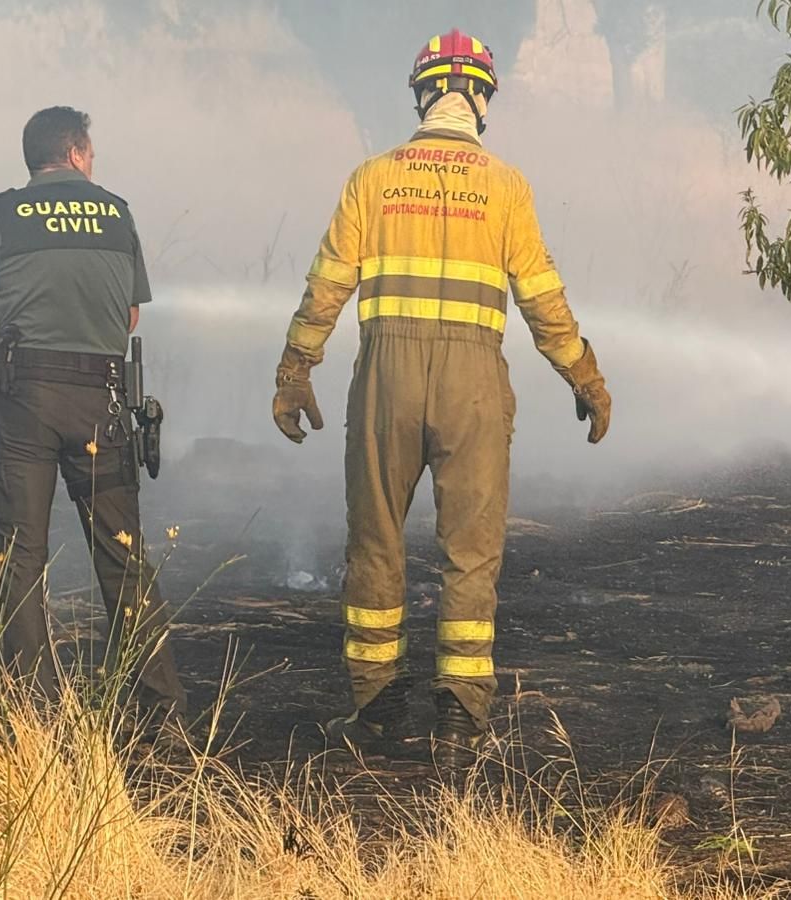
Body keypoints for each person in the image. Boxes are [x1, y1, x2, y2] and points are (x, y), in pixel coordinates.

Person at [272, 29, 612, 771]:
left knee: (376, 540)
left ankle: (376, 708)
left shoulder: (372, 178)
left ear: (423, 93)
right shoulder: (506, 186)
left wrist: (296, 367)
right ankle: (458, 721)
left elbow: (327, 283)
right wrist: (583, 375)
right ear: (482, 98)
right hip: (474, 385)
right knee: (470, 551)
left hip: (385, 375)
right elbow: (543, 300)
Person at [0, 106, 187, 724]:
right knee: (122, 557)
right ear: (79, 153)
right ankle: (164, 719)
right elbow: (130, 317)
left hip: (20, 406)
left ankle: (29, 725)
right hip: (101, 407)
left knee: (20, 562)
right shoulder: (117, 212)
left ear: (34, 159)